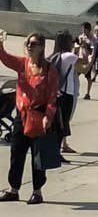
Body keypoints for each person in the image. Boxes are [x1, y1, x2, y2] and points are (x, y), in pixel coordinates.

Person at [1, 32, 62, 203]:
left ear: (42, 47)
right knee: (16, 153)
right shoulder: (23, 64)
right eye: (28, 43)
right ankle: (14, 189)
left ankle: (37, 191)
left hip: (39, 115)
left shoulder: (49, 70)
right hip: (22, 115)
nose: (29, 46)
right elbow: (5, 58)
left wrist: (48, 117)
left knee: (38, 155)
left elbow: (52, 97)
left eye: (33, 43)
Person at [52, 31, 79, 158]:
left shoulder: (56, 56)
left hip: (59, 93)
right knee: (62, 125)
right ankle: (56, 153)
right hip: (67, 94)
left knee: (59, 124)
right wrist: (83, 50)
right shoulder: (68, 56)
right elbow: (84, 66)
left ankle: (56, 151)